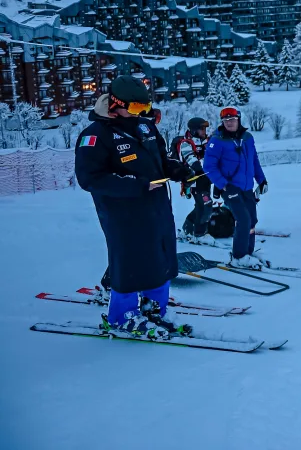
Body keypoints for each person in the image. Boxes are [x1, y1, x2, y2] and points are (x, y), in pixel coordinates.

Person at [74, 76, 193, 338]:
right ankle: (121, 316)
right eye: (136, 108)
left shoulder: (146, 128)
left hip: (157, 208)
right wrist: (136, 185)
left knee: (161, 258)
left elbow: (162, 160)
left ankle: (155, 310)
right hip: (123, 214)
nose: (140, 114)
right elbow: (89, 178)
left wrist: (177, 170)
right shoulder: (95, 136)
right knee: (130, 262)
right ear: (115, 104)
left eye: (144, 109)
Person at [203, 107, 268, 269]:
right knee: (243, 219)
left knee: (252, 220)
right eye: (226, 121)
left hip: (247, 187)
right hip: (230, 188)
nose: (229, 123)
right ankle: (238, 256)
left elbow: (254, 160)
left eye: (232, 120)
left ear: (238, 120)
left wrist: (261, 179)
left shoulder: (247, 138)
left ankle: (248, 252)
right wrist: (223, 185)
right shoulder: (217, 141)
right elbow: (209, 167)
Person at [175, 117, 213, 242]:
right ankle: (200, 234)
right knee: (206, 205)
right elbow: (190, 159)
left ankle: (187, 228)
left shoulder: (206, 141)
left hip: (206, 179)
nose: (204, 131)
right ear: (194, 130)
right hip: (195, 180)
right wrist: (200, 167)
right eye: (202, 128)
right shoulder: (186, 143)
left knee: (200, 206)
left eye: (205, 128)